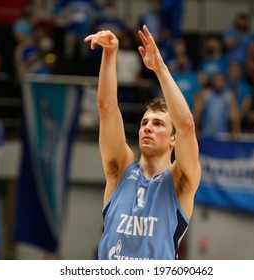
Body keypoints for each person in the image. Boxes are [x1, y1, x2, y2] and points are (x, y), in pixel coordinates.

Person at [84, 25, 201, 260]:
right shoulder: (120, 170)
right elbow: (107, 109)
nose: (147, 126)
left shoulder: (180, 181)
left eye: (158, 124)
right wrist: (110, 53)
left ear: (172, 140)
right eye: (144, 122)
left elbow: (187, 125)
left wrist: (159, 68)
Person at [193, 73, 240, 140]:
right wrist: (195, 129)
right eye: (217, 80)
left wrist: (235, 131)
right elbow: (197, 112)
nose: (219, 83)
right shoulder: (206, 94)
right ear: (213, 82)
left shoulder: (228, 96)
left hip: (223, 133)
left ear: (224, 82)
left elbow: (235, 115)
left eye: (221, 80)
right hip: (206, 133)